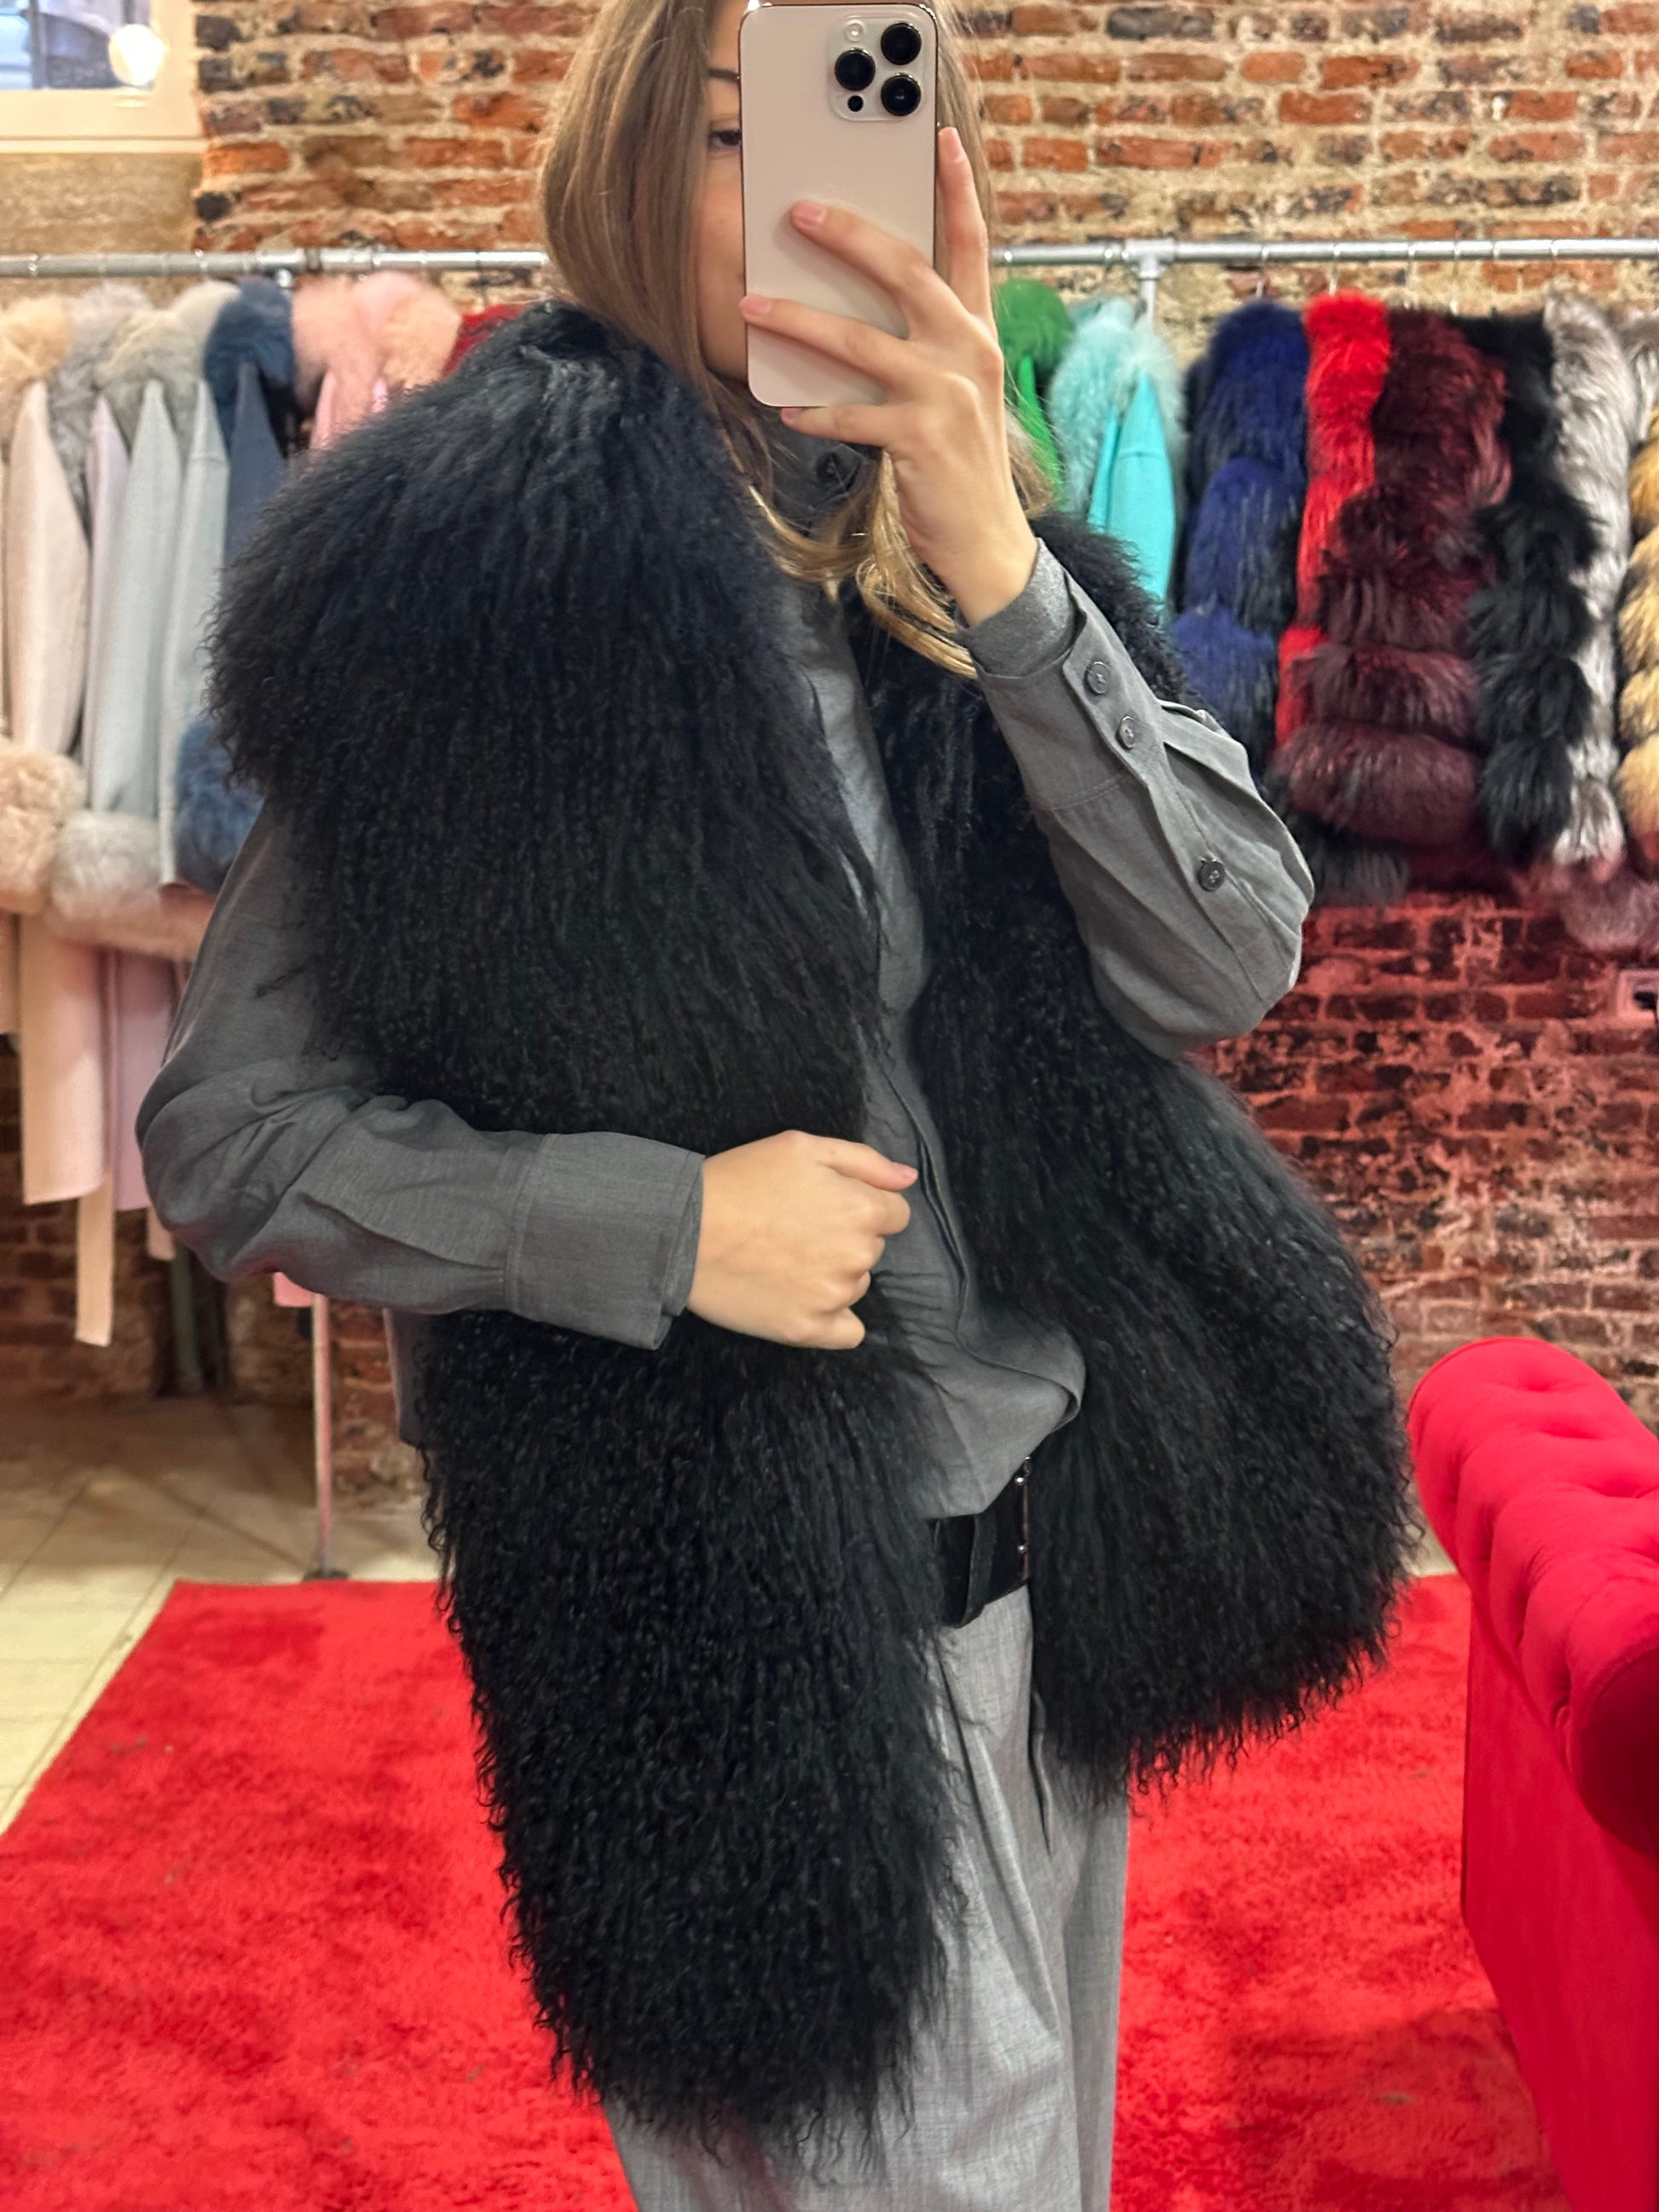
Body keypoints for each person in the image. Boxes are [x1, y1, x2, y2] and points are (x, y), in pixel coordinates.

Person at [139, 0, 1412, 2204]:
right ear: (634, 161)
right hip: (734, 1625)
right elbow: (230, 1135)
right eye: (737, 133)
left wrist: (999, 564)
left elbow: (1225, 954)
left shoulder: (963, 561)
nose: (808, 195)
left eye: (862, 123)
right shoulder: (471, 597)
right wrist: (661, 1226)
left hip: (1039, 1592)